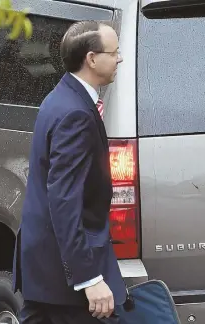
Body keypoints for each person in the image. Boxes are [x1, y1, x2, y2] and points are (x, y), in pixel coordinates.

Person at [12, 21, 126, 324]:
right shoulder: (75, 113)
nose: (120, 59)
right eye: (115, 53)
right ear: (91, 58)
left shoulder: (61, 97)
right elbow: (64, 199)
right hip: (65, 278)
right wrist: (89, 278)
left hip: (45, 267)